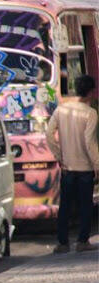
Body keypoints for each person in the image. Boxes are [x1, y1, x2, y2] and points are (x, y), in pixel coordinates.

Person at [46, 74, 99, 253]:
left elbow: (49, 134)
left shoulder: (61, 109)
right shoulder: (90, 113)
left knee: (65, 206)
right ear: (91, 92)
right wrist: (97, 165)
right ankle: (82, 241)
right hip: (85, 168)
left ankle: (62, 243)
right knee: (85, 206)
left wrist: (59, 155)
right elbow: (89, 141)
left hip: (67, 167)